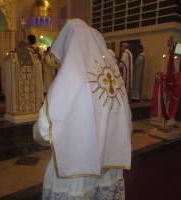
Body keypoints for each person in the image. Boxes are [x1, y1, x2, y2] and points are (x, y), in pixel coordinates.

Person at [33, 18, 132, 199]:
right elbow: (127, 123)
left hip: (74, 170)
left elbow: (44, 132)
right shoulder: (115, 78)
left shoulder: (68, 79)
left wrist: (38, 134)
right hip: (109, 166)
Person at [27, 34, 44, 110]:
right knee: (39, 83)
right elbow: (42, 59)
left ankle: (34, 100)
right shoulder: (39, 49)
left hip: (32, 69)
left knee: (34, 83)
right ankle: (40, 100)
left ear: (29, 41)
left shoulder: (28, 49)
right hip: (39, 67)